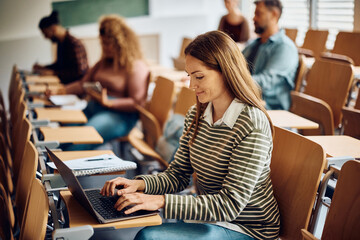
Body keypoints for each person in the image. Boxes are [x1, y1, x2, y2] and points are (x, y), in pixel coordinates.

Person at [101, 31, 280, 240]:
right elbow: (177, 174)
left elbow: (229, 205)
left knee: (148, 237)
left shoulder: (251, 122)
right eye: (189, 76)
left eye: (199, 76)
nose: (191, 85)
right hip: (212, 218)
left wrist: (160, 201)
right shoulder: (197, 115)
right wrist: (138, 184)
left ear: (226, 71)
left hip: (247, 228)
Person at [58, 15, 149, 151]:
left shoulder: (136, 66)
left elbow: (137, 102)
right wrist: (61, 90)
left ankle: (63, 169)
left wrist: (110, 102)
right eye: (102, 43)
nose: (104, 47)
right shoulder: (104, 62)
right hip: (95, 107)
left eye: (108, 43)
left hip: (121, 116)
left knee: (81, 140)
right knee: (63, 135)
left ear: (121, 43)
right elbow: (83, 84)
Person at [242, 0, 298, 110]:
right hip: (247, 101)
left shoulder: (285, 47)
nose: (254, 18)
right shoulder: (253, 45)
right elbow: (233, 65)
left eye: (258, 14)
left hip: (268, 109)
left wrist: (233, 81)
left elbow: (265, 81)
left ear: (274, 15)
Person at [33, 10, 88, 84]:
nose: (45, 37)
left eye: (46, 34)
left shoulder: (74, 44)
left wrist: (53, 73)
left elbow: (79, 73)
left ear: (53, 28)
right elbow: (60, 65)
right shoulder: (61, 43)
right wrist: (44, 67)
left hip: (76, 87)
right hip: (65, 85)